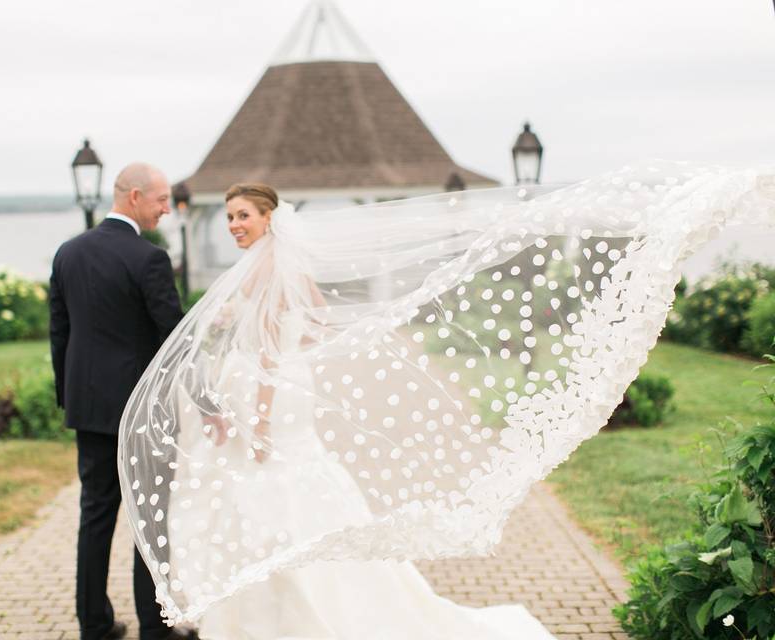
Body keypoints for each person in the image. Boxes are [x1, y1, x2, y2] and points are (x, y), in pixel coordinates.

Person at [119, 165, 775, 638]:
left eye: (243, 215)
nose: (234, 225)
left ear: (269, 219)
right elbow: (309, 325)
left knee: (277, 517)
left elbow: (267, 357)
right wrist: (288, 374)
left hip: (272, 414)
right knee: (298, 514)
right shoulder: (284, 271)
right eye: (230, 216)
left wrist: (259, 418)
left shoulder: (266, 274)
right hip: (290, 404)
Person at [49, 163, 197, 640]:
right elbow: (173, 342)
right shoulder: (147, 258)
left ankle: (94, 625)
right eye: (160, 201)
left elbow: (61, 333)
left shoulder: (68, 253)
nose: (165, 210)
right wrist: (203, 402)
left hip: (89, 412)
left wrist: (66, 396)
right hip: (140, 415)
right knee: (150, 520)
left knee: (95, 517)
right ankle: (154, 627)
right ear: (134, 196)